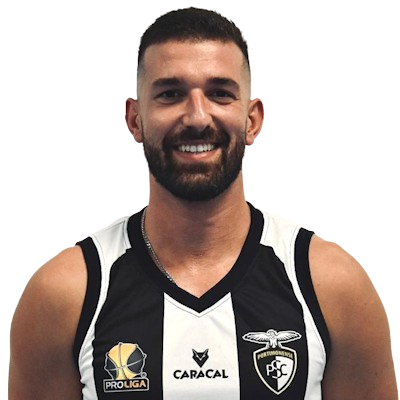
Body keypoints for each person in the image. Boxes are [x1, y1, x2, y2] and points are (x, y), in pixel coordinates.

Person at [8, 7, 397, 400]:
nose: (197, 117)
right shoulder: (64, 293)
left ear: (252, 120)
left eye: (219, 93)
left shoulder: (332, 285)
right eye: (170, 94)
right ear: (135, 119)